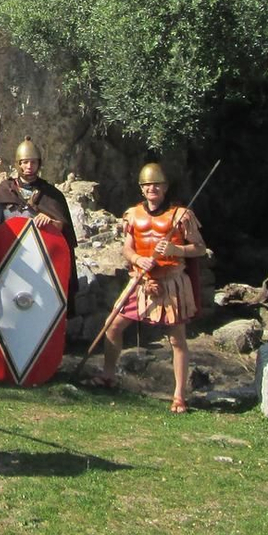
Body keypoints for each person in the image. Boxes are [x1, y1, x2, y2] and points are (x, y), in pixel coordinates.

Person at [96, 162, 204, 413]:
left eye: (156, 184)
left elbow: (199, 248)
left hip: (171, 281)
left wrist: (177, 249)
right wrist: (136, 259)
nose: (151, 188)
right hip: (142, 280)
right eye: (147, 185)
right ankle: (108, 375)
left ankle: (178, 396)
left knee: (177, 339)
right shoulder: (133, 214)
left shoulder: (181, 216)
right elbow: (127, 247)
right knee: (112, 325)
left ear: (165, 187)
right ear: (142, 189)